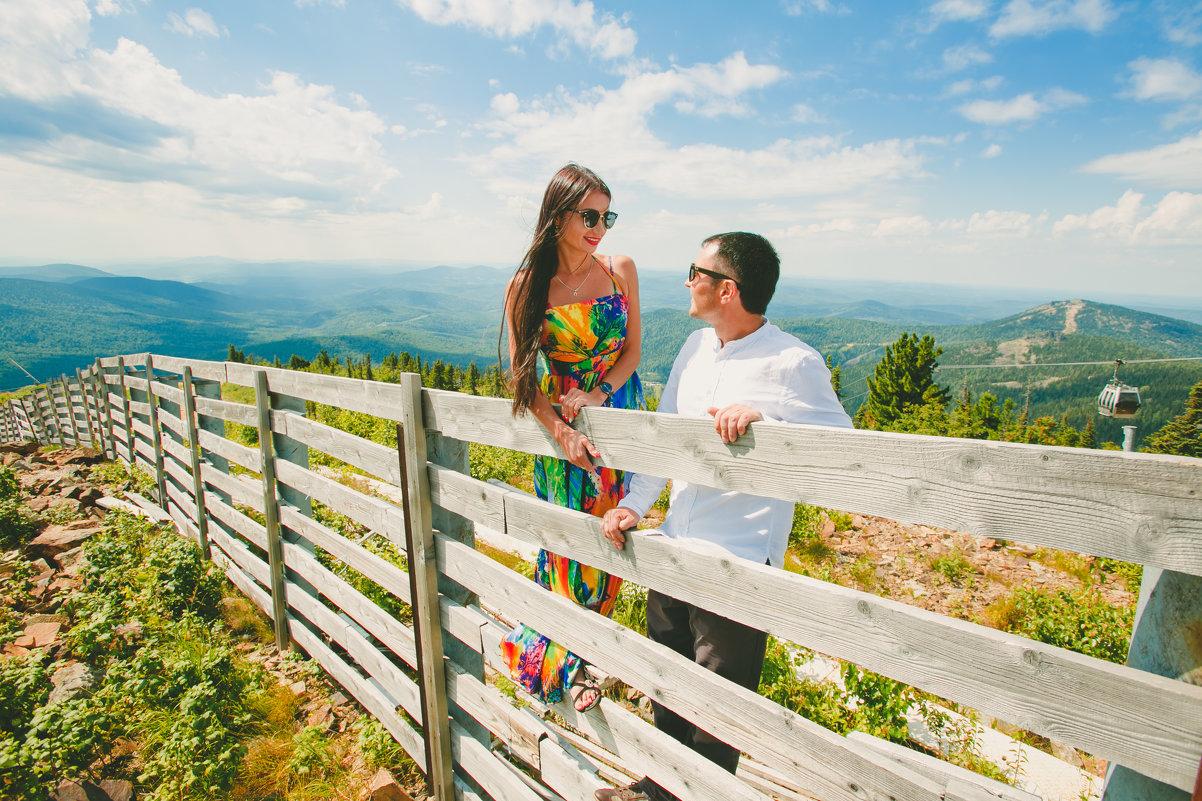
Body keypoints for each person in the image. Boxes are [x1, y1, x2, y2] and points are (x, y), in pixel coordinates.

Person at [594, 232, 852, 801]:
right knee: (668, 680)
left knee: (715, 708)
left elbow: (844, 446)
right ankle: (659, 787)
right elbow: (666, 436)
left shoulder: (792, 362)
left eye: (696, 271)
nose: (687, 281)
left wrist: (768, 424)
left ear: (727, 289)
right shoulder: (695, 346)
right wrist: (634, 506)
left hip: (736, 559)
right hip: (676, 542)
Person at [499, 163, 645, 713]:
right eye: (588, 214)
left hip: (616, 418)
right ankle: (560, 661)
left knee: (611, 535)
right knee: (566, 542)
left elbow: (632, 353)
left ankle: (581, 655)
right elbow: (520, 376)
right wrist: (561, 432)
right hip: (563, 432)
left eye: (606, 215)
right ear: (557, 214)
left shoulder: (621, 268)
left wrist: (603, 394)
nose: (599, 226)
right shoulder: (527, 285)